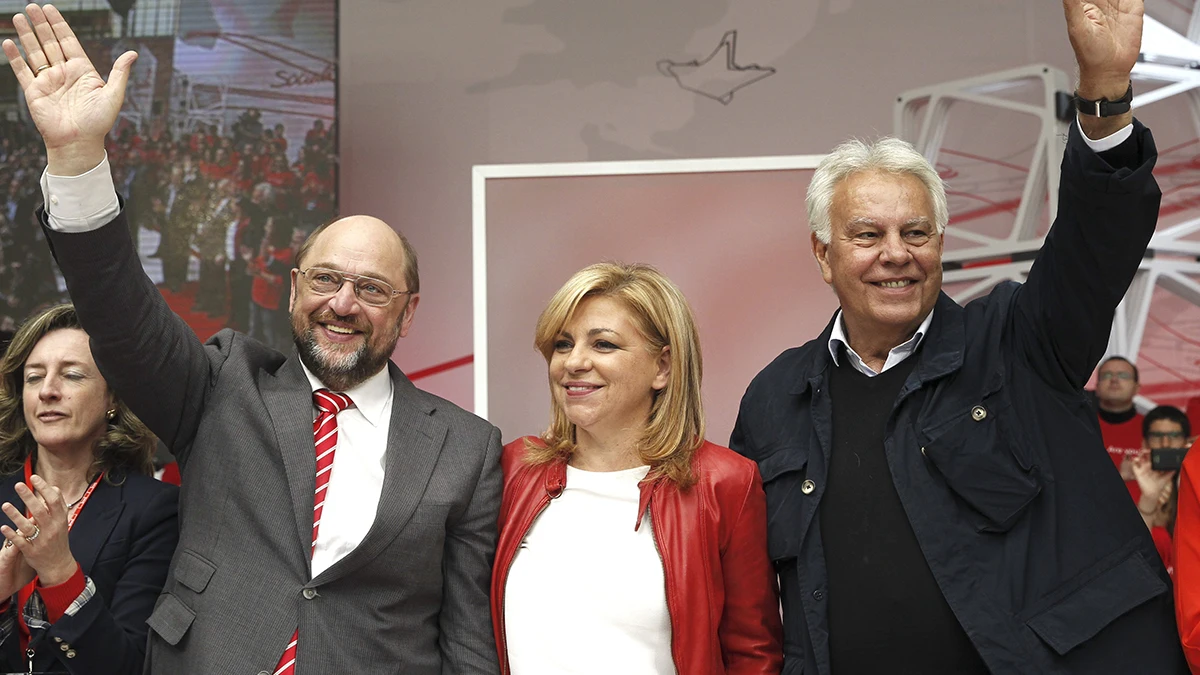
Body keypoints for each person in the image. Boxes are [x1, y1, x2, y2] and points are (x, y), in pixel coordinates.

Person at [2, 5, 502, 674]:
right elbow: (121, 313)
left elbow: (466, 634)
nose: (343, 303)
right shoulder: (222, 384)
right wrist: (76, 158)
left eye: (372, 289)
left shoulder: (465, 447)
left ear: (409, 313)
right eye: (326, 279)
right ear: (295, 290)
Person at [729, 2, 1186, 673]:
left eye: (916, 233)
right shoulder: (776, 398)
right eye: (867, 236)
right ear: (823, 254)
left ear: (940, 245)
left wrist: (1105, 90)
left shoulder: (1018, 342)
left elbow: (1098, 238)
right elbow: (766, 603)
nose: (895, 253)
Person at [492, 262, 782, 675]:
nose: (573, 362)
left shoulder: (725, 482)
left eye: (603, 345)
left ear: (662, 368)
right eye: (562, 344)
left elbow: (753, 656)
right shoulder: (514, 467)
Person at [0, 303, 178, 674]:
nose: (47, 391)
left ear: (112, 398)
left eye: (72, 375)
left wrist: (61, 573)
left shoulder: (154, 509)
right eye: (34, 378)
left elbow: (129, 666)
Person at [1129, 405, 1189, 575]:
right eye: (1157, 436)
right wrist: (1149, 498)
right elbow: (1133, 553)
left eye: (1174, 436)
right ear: (1144, 443)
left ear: (1186, 442)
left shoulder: (1194, 484)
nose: (1165, 443)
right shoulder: (1127, 486)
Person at [1095, 356, 1144, 500]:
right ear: (1097, 387)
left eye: (1123, 375)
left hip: (1143, 518)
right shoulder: (1079, 427)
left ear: (1137, 388)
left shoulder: (1154, 430)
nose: (1114, 380)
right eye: (1107, 375)